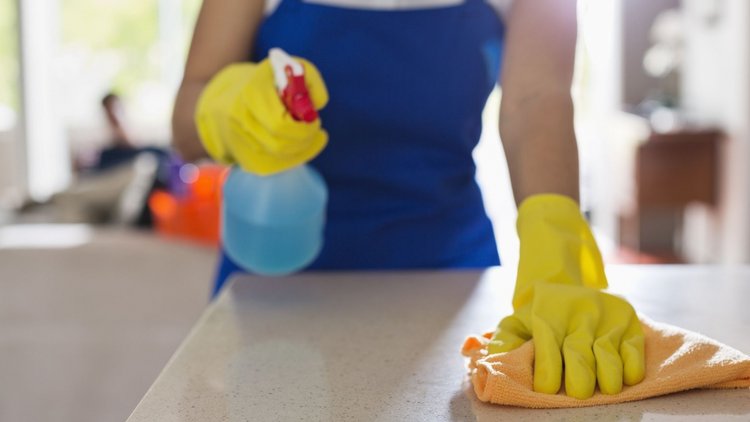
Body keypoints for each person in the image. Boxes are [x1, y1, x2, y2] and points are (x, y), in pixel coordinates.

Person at [172, 0, 646, 399]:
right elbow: (184, 123)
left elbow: (536, 98)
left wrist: (556, 244)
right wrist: (226, 107)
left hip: (450, 274)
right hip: (274, 271)